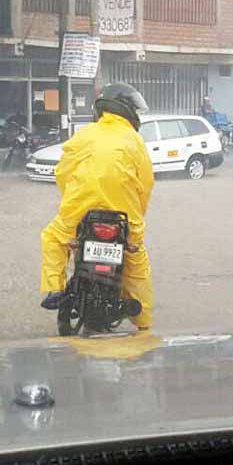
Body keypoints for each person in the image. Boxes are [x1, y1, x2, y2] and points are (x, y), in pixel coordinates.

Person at [39, 83, 155, 330]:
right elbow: (145, 185)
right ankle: (144, 325)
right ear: (126, 109)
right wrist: (136, 222)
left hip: (81, 213)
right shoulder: (135, 141)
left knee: (53, 239)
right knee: (135, 261)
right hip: (125, 217)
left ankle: (53, 290)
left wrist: (71, 202)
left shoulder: (84, 135)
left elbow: (63, 173)